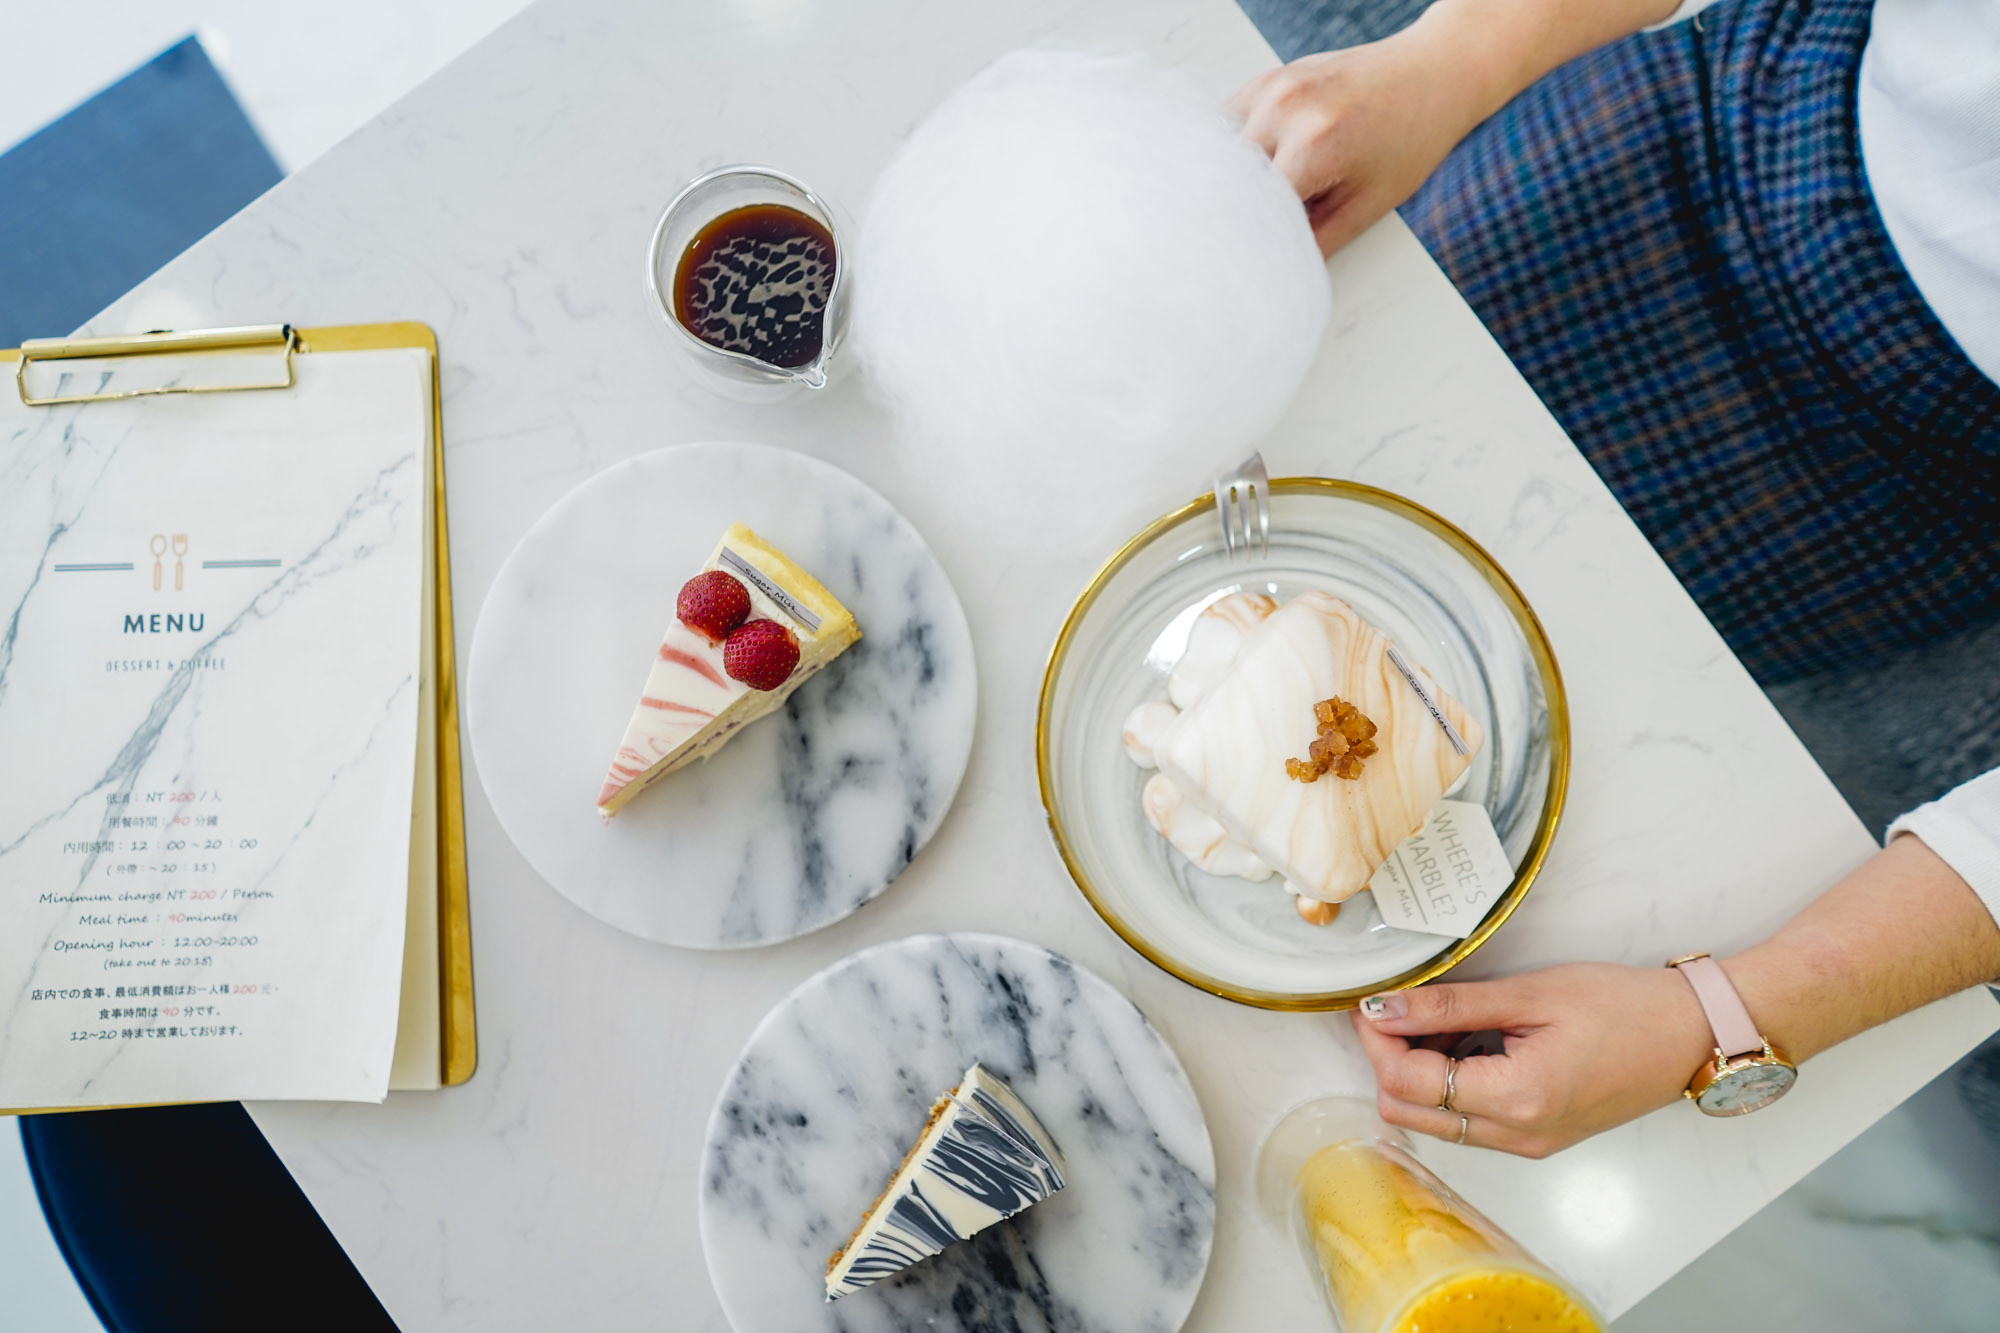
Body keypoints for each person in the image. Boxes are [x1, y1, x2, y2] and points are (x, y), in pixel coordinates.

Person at [1230, 0, 2000, 1156]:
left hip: (1903, 459)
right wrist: (1450, 62)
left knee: (1490, 738)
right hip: (1737, 116)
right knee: (1254, 459)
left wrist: (1724, 1016)